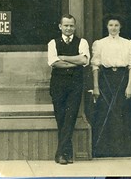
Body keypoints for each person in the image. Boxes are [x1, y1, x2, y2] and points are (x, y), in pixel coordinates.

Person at [89, 15, 131, 157]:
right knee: (105, 111)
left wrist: (129, 86)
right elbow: (95, 66)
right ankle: (104, 150)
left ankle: (123, 150)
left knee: (122, 111)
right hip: (106, 79)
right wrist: (96, 86)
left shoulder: (128, 44)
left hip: (122, 79)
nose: (113, 28)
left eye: (116, 25)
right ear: (107, 27)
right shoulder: (100, 44)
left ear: (120, 27)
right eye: (111, 25)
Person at [46, 14, 90, 165]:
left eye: (71, 25)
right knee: (61, 118)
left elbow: (84, 60)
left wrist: (63, 57)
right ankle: (66, 152)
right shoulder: (53, 43)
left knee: (70, 117)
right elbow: (53, 62)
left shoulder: (82, 42)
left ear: (75, 27)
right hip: (58, 84)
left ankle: (60, 154)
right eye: (66, 25)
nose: (69, 28)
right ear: (60, 26)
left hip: (75, 84)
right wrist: (74, 61)